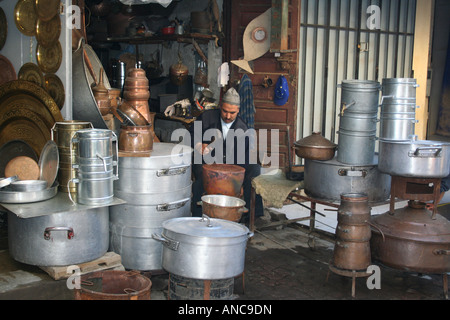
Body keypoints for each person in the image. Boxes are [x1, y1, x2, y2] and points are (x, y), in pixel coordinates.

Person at [189, 87, 264, 221]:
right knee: (202, 174)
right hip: (208, 161)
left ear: (238, 111)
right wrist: (198, 145)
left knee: (254, 169)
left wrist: (237, 180)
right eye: (224, 111)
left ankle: (251, 216)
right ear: (220, 107)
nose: (228, 116)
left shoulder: (242, 128)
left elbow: (243, 158)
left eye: (232, 113)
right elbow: (193, 134)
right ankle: (198, 216)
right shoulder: (207, 117)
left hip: (232, 164)